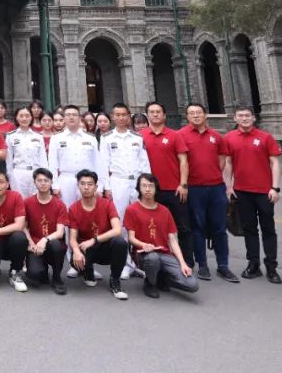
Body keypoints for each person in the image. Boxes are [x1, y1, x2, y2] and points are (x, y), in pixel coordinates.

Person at [180, 102, 239, 283]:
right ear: (187, 117)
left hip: (215, 187)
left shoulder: (216, 136)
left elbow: (222, 160)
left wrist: (213, 175)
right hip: (194, 187)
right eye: (191, 113)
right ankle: (202, 264)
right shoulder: (181, 135)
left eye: (199, 112)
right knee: (197, 227)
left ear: (205, 115)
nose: (196, 116)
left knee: (220, 227)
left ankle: (223, 265)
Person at [225, 106, 282, 284]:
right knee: (249, 229)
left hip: (264, 192)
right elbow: (228, 163)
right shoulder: (229, 138)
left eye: (247, 115)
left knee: (268, 229)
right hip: (242, 191)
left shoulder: (265, 137)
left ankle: (271, 266)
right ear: (235, 119)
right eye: (240, 116)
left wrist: (275, 188)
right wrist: (228, 186)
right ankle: (253, 264)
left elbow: (275, 163)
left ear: (253, 118)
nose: (244, 118)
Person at [123, 173, 199, 298]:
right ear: (139, 188)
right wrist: (143, 244)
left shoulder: (165, 211)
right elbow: (131, 238)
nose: (147, 189)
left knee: (192, 285)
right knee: (153, 258)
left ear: (156, 189)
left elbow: (173, 241)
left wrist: (183, 263)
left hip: (164, 254)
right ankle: (150, 283)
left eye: (151, 186)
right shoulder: (132, 209)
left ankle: (162, 277)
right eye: (144, 186)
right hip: (144, 254)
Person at [98, 102, 150, 279]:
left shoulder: (137, 137)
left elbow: (144, 164)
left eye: (124, 115)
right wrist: (106, 187)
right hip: (117, 182)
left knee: (138, 223)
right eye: (117, 115)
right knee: (119, 224)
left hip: (136, 183)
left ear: (129, 117)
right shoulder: (107, 138)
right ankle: (124, 263)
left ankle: (138, 262)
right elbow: (103, 164)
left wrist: (147, 185)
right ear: (113, 117)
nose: (121, 118)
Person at [139, 101, 194, 267]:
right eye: (152, 112)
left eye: (158, 111)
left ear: (164, 115)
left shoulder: (175, 135)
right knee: (152, 228)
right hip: (149, 191)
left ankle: (186, 262)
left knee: (182, 227)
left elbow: (183, 161)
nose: (155, 114)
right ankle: (155, 262)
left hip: (174, 189)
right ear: (147, 115)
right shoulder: (139, 136)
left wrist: (183, 184)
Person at [68, 169, 129, 300]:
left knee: (120, 242)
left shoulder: (107, 204)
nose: (86, 187)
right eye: (82, 183)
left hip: (106, 247)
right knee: (75, 259)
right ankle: (87, 271)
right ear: (78, 185)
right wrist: (76, 251)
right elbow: (72, 239)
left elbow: (117, 230)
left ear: (96, 187)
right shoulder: (73, 208)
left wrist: (94, 240)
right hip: (87, 249)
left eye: (90, 184)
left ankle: (115, 280)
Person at [22, 168, 68, 294]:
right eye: (39, 180)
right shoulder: (27, 202)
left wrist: (45, 239)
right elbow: (23, 226)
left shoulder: (60, 205)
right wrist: (30, 241)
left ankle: (57, 278)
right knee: (35, 275)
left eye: (46, 180)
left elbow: (60, 232)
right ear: (34, 182)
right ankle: (42, 271)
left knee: (56, 245)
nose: (43, 183)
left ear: (51, 182)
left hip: (52, 244)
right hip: (35, 246)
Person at [48, 105, 102, 207]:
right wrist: (55, 185)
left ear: (79, 117)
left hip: (87, 181)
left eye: (74, 115)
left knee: (87, 211)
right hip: (66, 180)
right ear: (64, 118)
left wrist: (99, 185)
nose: (71, 117)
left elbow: (98, 163)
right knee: (67, 211)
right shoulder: (56, 138)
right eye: (68, 115)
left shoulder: (90, 138)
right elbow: (52, 164)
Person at [5, 107, 47, 198]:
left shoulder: (38, 136)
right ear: (16, 118)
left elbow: (43, 158)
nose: (24, 119)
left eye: (27, 116)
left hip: (36, 173)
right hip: (18, 173)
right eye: (21, 116)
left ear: (31, 117)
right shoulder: (11, 136)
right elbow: (8, 160)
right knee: (20, 201)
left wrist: (44, 175)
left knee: (36, 201)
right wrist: (10, 177)